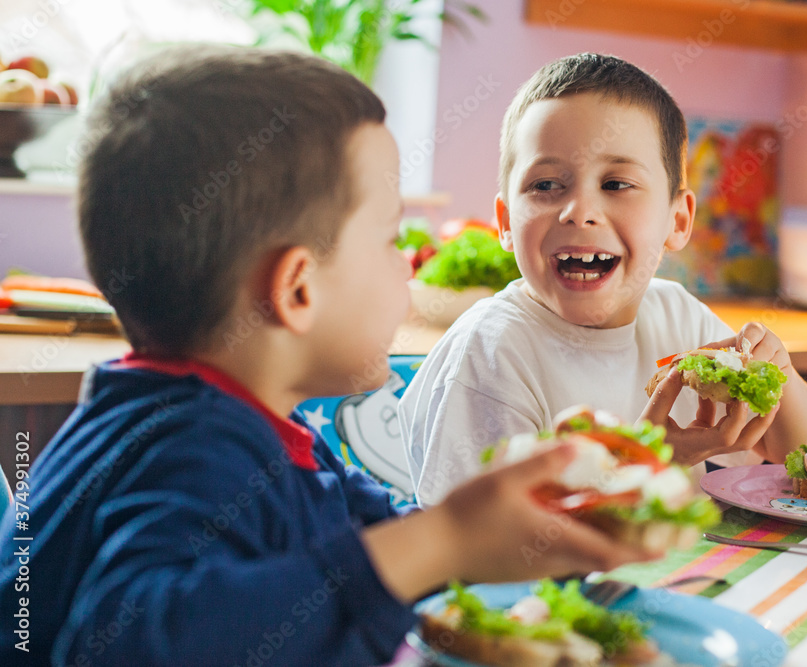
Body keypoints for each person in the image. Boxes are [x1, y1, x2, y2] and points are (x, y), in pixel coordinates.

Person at [0, 46, 656, 666]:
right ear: (297, 289)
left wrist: (534, 527)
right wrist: (444, 538)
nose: (407, 265)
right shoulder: (189, 447)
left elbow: (385, 548)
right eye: (390, 239)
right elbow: (135, 640)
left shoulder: (266, 428)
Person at [400, 53, 807, 505]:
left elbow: (799, 454)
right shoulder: (492, 353)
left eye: (616, 184)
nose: (579, 212)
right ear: (506, 223)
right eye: (546, 185)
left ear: (678, 221)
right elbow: (482, 547)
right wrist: (649, 457)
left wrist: (779, 375)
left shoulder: (678, 317)